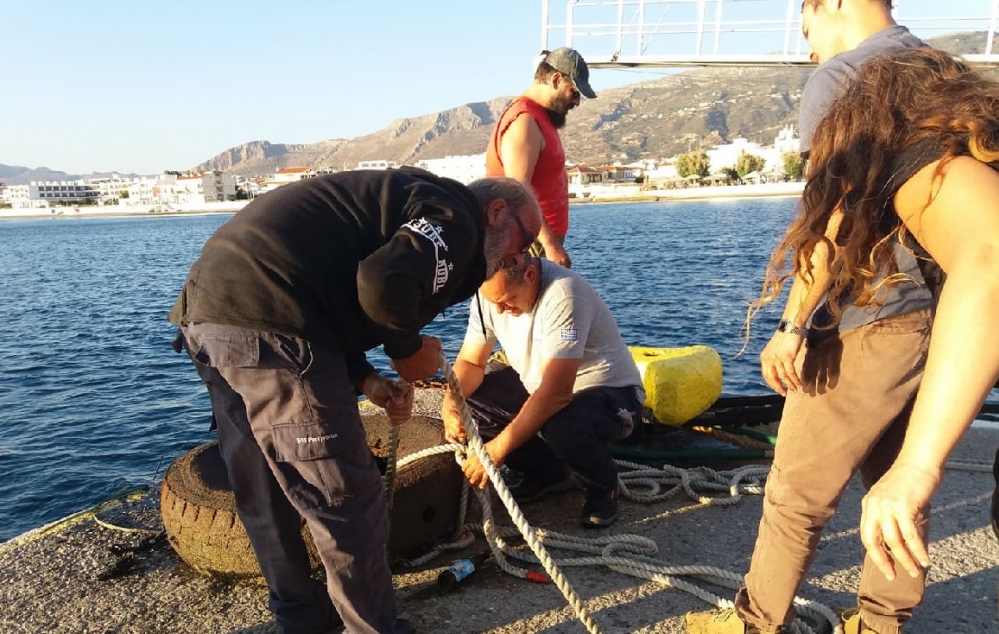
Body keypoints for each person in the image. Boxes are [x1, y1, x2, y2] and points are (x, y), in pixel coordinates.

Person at [168, 169, 542, 634]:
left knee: (261, 482)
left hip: (211, 316)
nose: (520, 256)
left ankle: (302, 619)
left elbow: (326, 287)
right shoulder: (457, 217)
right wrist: (406, 351)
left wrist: (365, 379)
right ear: (498, 211)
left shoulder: (401, 201)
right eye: (526, 239)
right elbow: (382, 282)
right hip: (272, 323)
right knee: (344, 493)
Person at [684, 2, 935, 633]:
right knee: (897, 484)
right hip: (942, 318)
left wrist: (793, 325)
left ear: (830, 5)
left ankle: (756, 623)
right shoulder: (936, 68)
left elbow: (834, 215)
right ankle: (881, 625)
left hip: (870, 315)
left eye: (808, 31)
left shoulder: (845, 77)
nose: (811, 51)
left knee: (795, 496)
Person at [440, 254, 645, 528]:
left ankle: (602, 485)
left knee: (564, 425)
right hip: (540, 385)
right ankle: (546, 473)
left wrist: (496, 450)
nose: (500, 311)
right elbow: (471, 362)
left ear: (530, 275)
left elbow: (556, 393)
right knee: (472, 409)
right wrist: (450, 403)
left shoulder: (565, 295)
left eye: (507, 301)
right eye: (494, 303)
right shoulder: (488, 298)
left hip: (607, 390)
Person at [485, 46, 597, 268]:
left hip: (536, 241)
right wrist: (550, 244)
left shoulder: (539, 117)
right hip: (528, 242)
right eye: (574, 93)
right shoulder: (524, 121)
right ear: (556, 80)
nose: (577, 102)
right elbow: (517, 189)